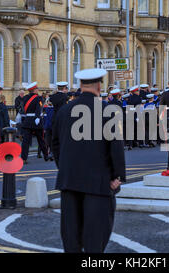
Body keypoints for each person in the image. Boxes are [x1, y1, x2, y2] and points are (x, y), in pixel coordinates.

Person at [52, 68, 125, 253]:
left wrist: (65, 167)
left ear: (80, 86)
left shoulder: (64, 110)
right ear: (99, 85)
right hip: (98, 182)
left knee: (71, 236)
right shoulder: (108, 110)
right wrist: (117, 175)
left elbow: (54, 143)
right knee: (95, 236)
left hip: (70, 181)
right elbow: (115, 146)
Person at [20, 82, 49, 164]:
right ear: (34, 90)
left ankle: (23, 158)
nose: (38, 90)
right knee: (41, 139)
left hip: (27, 120)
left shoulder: (25, 98)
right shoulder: (38, 98)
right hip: (36, 121)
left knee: (25, 141)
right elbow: (38, 108)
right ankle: (46, 156)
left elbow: (22, 109)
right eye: (37, 89)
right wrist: (37, 117)